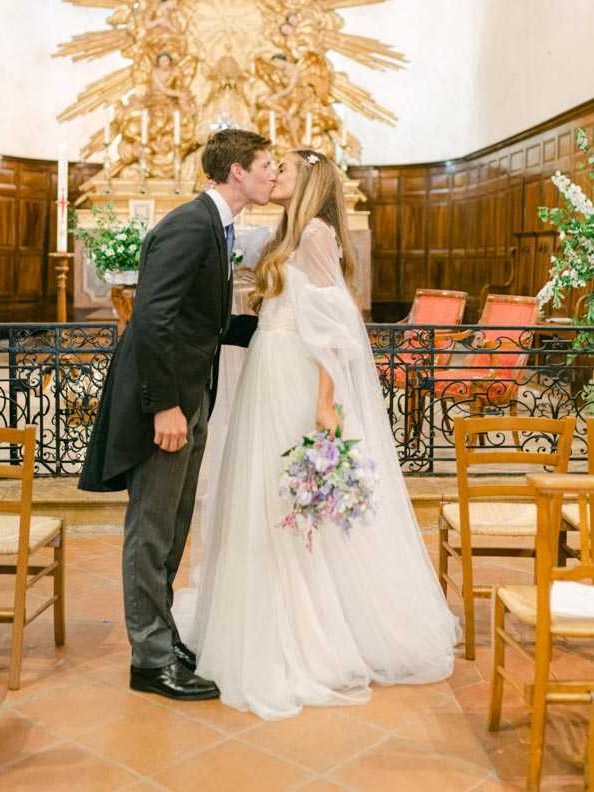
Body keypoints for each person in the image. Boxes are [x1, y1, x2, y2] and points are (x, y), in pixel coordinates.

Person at [175, 149, 461, 720]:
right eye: (270, 166)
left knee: (290, 495)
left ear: (306, 181)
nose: (273, 174)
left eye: (282, 169)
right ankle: (268, 615)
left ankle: (307, 631)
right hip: (272, 368)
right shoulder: (288, 232)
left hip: (299, 377)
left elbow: (335, 323)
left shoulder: (315, 232)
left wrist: (327, 402)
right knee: (268, 493)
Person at [78, 128, 276, 701]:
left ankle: (162, 637)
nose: (270, 174)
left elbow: (197, 322)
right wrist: (165, 406)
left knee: (172, 527)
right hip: (165, 403)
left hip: (190, 395)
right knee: (150, 530)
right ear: (236, 171)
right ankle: (150, 660)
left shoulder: (214, 225)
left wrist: (273, 328)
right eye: (264, 164)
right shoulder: (190, 225)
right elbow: (152, 321)